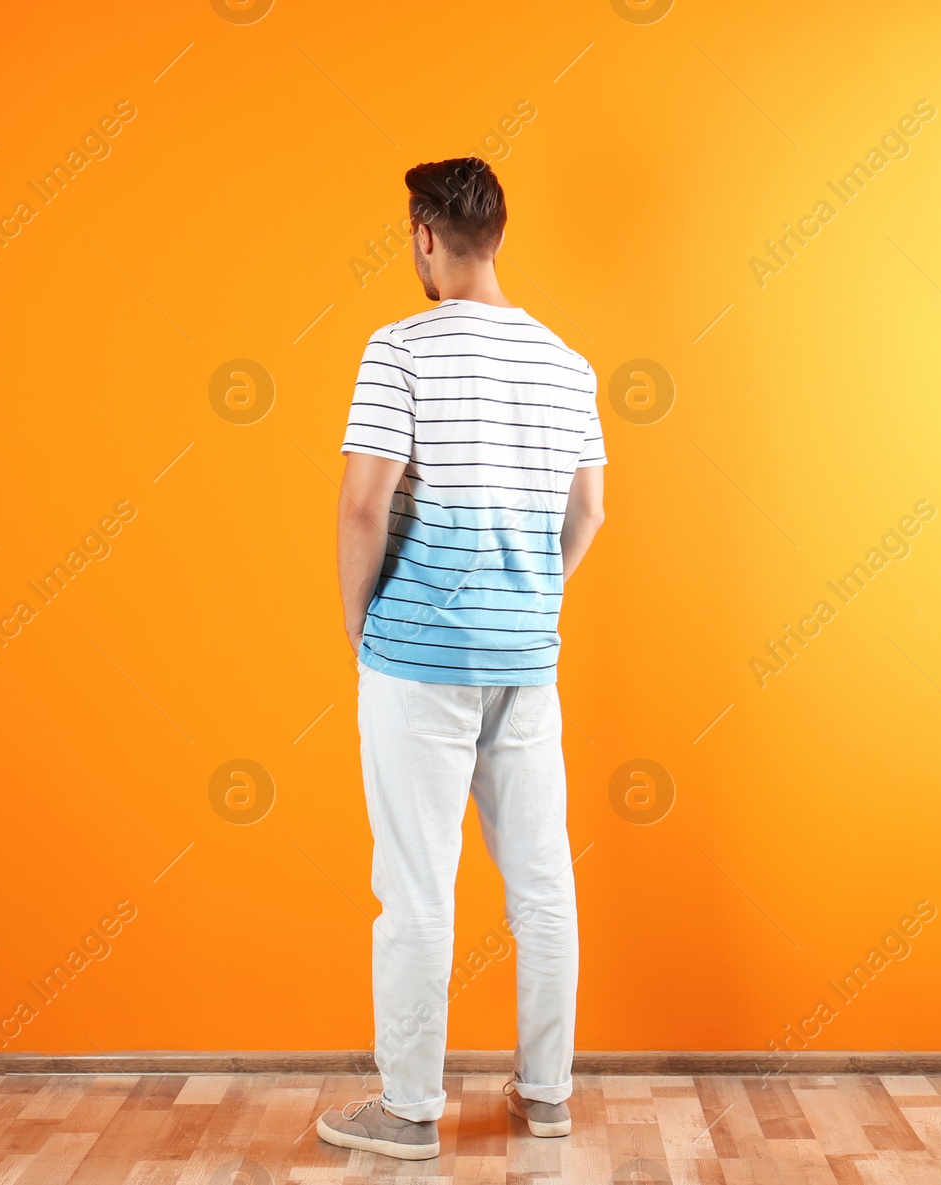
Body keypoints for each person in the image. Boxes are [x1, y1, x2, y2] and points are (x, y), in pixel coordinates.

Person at [317, 156, 607, 1161]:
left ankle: (405, 1112)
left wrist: (361, 626)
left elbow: (363, 504)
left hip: (419, 661)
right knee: (541, 885)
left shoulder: (400, 349)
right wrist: (528, 599)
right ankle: (548, 1094)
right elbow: (588, 513)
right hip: (525, 660)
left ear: (426, 237)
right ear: (496, 233)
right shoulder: (567, 364)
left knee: (415, 888)